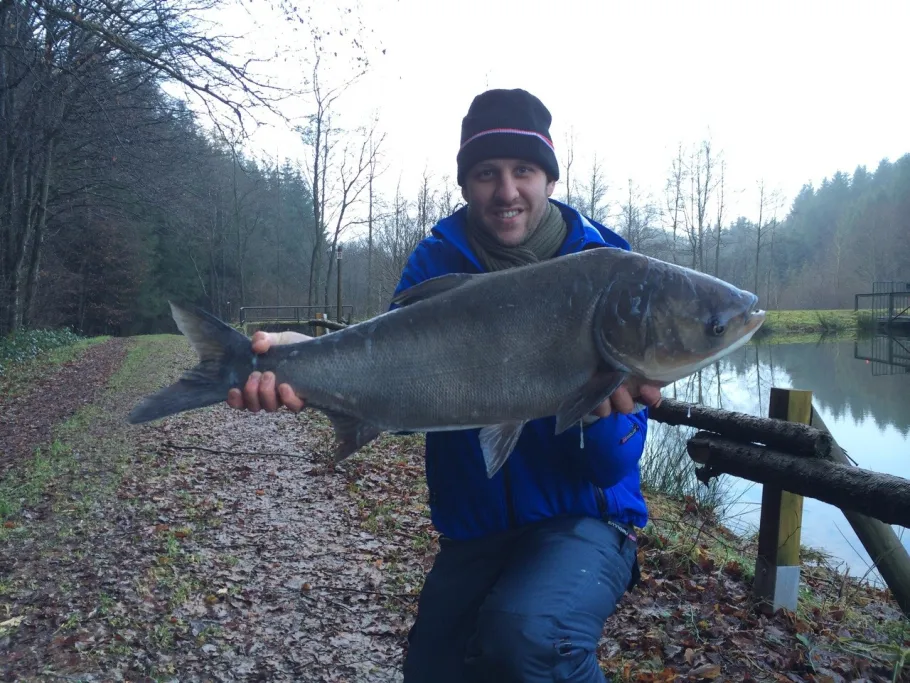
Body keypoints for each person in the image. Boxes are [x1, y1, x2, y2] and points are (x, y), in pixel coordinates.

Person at [227, 88, 663, 682]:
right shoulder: (435, 262)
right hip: (476, 528)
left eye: (524, 171)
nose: (506, 191)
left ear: (550, 180)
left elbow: (611, 470)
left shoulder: (613, 271)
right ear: (465, 184)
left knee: (528, 637)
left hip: (585, 521)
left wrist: (595, 414)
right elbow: (394, 383)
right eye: (487, 173)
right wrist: (305, 365)